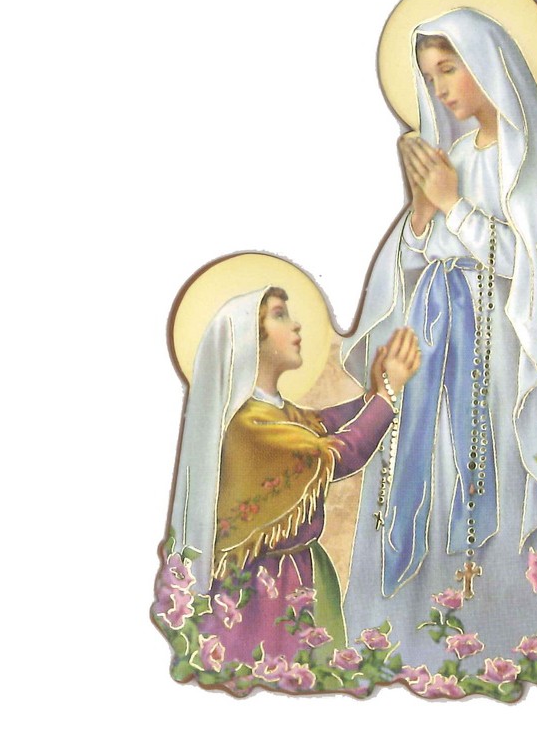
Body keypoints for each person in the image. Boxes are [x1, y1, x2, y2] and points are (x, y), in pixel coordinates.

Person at [341, 8, 537, 669]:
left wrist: (453, 207)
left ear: (488, 64)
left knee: (491, 470)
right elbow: (420, 255)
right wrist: (423, 214)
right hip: (438, 352)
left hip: (504, 356)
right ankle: (425, 623)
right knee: (438, 473)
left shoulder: (536, 161)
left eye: (448, 69)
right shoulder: (458, 157)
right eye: (429, 77)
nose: (438, 90)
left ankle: (498, 625)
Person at [154, 286, 420, 677]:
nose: (295, 325)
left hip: (300, 573)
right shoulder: (248, 426)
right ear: (251, 339)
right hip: (266, 593)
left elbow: (319, 424)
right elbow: (335, 454)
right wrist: (386, 397)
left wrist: (372, 396)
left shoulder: (273, 412)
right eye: (279, 315)